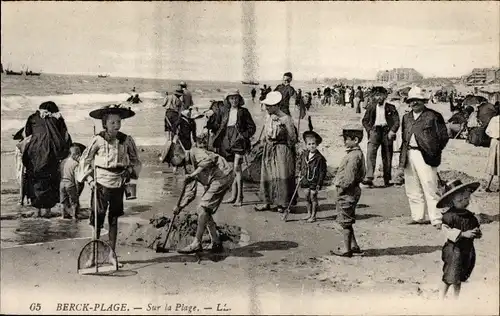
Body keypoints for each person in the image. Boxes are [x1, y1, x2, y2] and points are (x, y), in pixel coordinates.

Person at [77, 104, 142, 267]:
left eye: (118, 122)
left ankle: (112, 255)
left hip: (118, 183)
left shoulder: (126, 139)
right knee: (97, 221)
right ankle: (93, 255)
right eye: (112, 123)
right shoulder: (97, 139)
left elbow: (135, 160)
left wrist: (130, 173)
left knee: (114, 219)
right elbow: (85, 159)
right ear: (104, 124)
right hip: (100, 184)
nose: (116, 125)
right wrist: (90, 180)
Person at [160, 138, 234, 254]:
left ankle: (197, 243)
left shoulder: (195, 152)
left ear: (176, 155)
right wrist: (179, 207)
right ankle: (216, 242)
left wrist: (193, 174)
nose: (173, 166)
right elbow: (190, 192)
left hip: (223, 175)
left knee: (203, 208)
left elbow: (210, 159)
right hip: (215, 180)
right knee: (204, 210)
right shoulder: (187, 167)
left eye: (171, 161)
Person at [399, 87, 449, 229]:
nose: (415, 103)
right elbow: (404, 137)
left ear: (423, 101)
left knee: (430, 186)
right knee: (412, 187)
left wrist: (434, 150)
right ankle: (418, 217)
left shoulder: (433, 116)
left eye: (418, 100)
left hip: (426, 155)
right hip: (409, 154)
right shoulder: (406, 117)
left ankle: (436, 218)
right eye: (412, 100)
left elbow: (443, 136)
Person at [22, 101, 72, 217]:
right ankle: (48, 212)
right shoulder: (58, 118)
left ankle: (37, 212)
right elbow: (65, 136)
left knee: (35, 180)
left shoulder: (32, 117)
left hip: (34, 153)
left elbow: (27, 134)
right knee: (50, 181)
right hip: (51, 153)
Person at [437, 179, 482, 299]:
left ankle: (456, 298)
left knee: (460, 275)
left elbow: (475, 227)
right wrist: (462, 234)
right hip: (454, 250)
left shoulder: (469, 216)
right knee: (450, 275)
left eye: (467, 199)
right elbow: (446, 231)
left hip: (467, 249)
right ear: (451, 202)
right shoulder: (449, 216)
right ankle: (441, 297)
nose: (464, 202)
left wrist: (476, 232)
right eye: (460, 200)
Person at [210, 90, 256, 206]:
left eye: (236, 98)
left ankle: (240, 198)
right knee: (231, 170)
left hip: (239, 141)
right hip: (226, 141)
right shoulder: (224, 111)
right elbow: (217, 125)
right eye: (231, 98)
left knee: (237, 169)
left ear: (239, 99)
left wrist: (244, 136)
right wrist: (209, 123)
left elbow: (252, 127)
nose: (234, 100)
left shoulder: (244, 112)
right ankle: (233, 196)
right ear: (228, 100)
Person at [254, 91, 298, 213]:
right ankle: (266, 202)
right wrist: (263, 142)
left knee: (281, 175)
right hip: (269, 149)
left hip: (281, 149)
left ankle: (282, 203)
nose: (266, 108)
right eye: (266, 105)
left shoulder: (286, 118)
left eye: (269, 106)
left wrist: (286, 147)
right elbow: (265, 133)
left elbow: (292, 138)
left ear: (276, 105)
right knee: (267, 174)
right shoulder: (267, 116)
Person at [330, 125, 366, 257]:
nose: (344, 141)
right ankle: (354, 245)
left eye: (346, 139)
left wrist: (340, 188)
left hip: (347, 191)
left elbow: (349, 178)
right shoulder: (356, 154)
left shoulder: (353, 156)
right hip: (353, 190)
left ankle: (346, 249)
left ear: (355, 140)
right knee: (348, 219)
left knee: (345, 222)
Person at [361, 86, 400, 188]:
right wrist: (369, 130)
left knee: (387, 155)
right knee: (370, 153)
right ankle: (369, 177)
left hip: (387, 132)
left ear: (385, 96)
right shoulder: (371, 107)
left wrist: (392, 131)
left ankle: (387, 179)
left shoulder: (391, 107)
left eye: (381, 95)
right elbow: (364, 121)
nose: (378, 98)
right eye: (376, 95)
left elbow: (397, 121)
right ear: (374, 97)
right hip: (375, 131)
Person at [298, 117, 327, 222]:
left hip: (314, 181)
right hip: (305, 179)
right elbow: (300, 164)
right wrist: (299, 174)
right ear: (306, 145)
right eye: (309, 144)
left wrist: (319, 183)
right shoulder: (304, 155)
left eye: (313, 144)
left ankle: (314, 215)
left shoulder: (320, 158)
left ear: (317, 144)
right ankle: (308, 213)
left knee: (313, 197)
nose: (311, 146)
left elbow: (322, 172)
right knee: (306, 197)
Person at [59, 144, 84, 220]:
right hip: (70, 183)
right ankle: (74, 216)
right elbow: (76, 178)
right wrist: (77, 188)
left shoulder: (63, 162)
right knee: (74, 202)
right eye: (78, 154)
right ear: (74, 154)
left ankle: (63, 216)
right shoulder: (76, 164)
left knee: (63, 201)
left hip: (62, 183)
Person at [13, 127, 30, 206]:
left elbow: (18, 160)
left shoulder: (19, 145)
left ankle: (21, 200)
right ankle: (27, 199)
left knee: (22, 183)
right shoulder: (25, 143)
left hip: (22, 166)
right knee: (27, 183)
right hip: (25, 166)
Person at [485, 113, 499, 192]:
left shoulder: (493, 119)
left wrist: (494, 135)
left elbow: (487, 131)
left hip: (493, 141)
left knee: (492, 163)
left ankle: (488, 186)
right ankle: (498, 186)